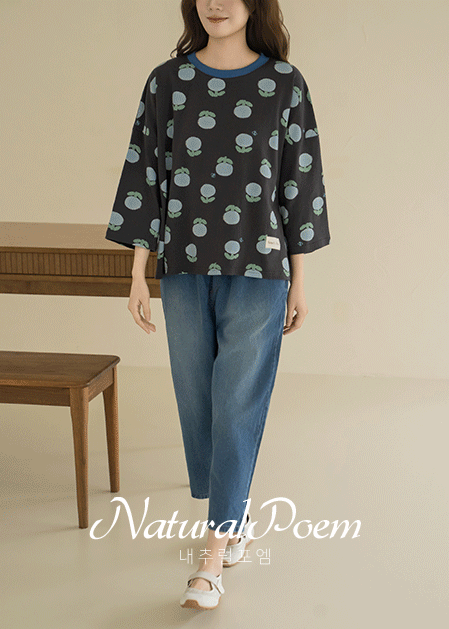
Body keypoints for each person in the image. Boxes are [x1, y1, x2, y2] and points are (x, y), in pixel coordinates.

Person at [105, 0, 330, 610]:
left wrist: (300, 280)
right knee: (198, 402)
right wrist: (137, 273)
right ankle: (235, 513)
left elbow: (300, 182)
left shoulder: (284, 84)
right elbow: (145, 173)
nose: (216, 2)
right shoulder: (167, 82)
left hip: (260, 269)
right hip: (182, 267)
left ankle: (210, 559)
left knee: (236, 404)